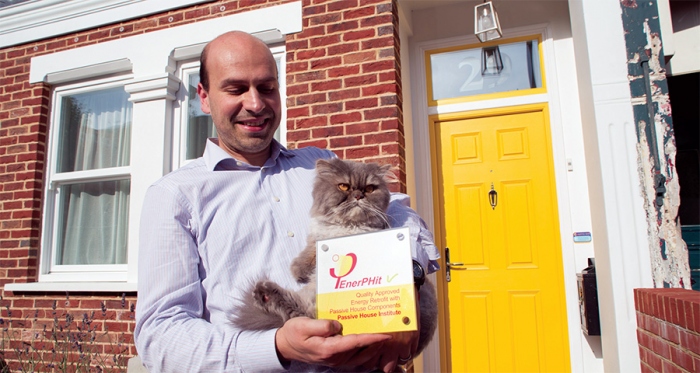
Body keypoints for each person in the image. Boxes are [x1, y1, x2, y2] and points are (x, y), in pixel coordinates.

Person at [134, 31, 440, 372]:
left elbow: (395, 208)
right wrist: (276, 347)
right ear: (204, 97)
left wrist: (404, 279)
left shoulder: (319, 163)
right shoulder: (175, 195)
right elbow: (160, 335)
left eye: (267, 87)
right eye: (236, 89)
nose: (255, 103)